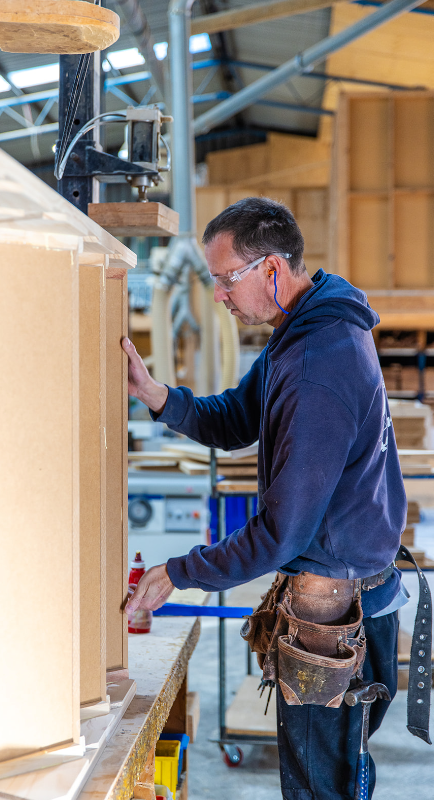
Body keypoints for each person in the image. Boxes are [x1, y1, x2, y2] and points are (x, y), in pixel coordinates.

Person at [122, 196, 410, 800]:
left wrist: (179, 573)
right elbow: (235, 417)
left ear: (272, 270)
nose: (220, 296)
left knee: (320, 785)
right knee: (338, 769)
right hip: (349, 579)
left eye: (226, 280)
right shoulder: (303, 327)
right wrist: (156, 395)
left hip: (337, 608)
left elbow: (282, 533)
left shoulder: (317, 365)